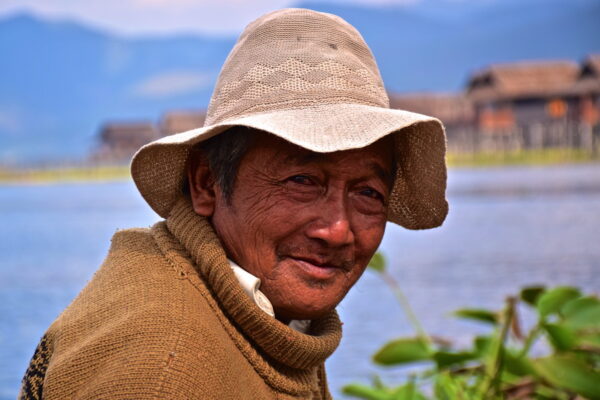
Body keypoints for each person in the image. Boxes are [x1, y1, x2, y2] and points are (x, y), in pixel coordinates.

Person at [19, 8, 448, 400]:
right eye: (301, 181)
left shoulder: (261, 311)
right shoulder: (163, 369)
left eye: (367, 193)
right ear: (206, 184)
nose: (337, 231)